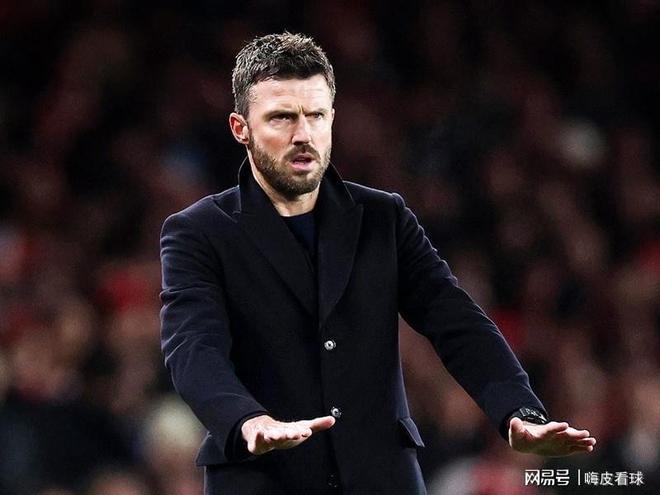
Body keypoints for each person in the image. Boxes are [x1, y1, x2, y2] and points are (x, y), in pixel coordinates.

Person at [159, 32, 596, 495]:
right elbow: (193, 348)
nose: (303, 134)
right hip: (262, 480)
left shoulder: (383, 218)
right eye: (282, 117)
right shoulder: (198, 232)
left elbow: (456, 320)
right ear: (240, 128)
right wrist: (246, 420)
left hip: (382, 478)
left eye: (315, 115)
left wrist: (518, 410)